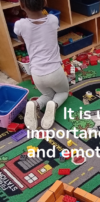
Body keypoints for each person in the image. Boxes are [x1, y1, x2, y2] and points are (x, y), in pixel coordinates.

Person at [15, 0, 69, 130]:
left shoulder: (20, 24)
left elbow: (22, 38)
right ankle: (54, 104)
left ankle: (36, 104)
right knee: (63, 92)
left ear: (22, 5)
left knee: (46, 94)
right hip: (55, 71)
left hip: (37, 73)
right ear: (45, 2)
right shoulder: (52, 19)